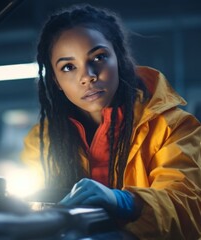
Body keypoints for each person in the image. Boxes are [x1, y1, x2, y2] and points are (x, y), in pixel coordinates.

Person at [20, 4, 201, 239]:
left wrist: (124, 201)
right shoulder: (41, 142)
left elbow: (189, 208)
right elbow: (31, 214)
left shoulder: (174, 127)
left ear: (120, 59)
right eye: (68, 67)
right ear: (55, 80)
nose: (88, 76)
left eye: (99, 57)